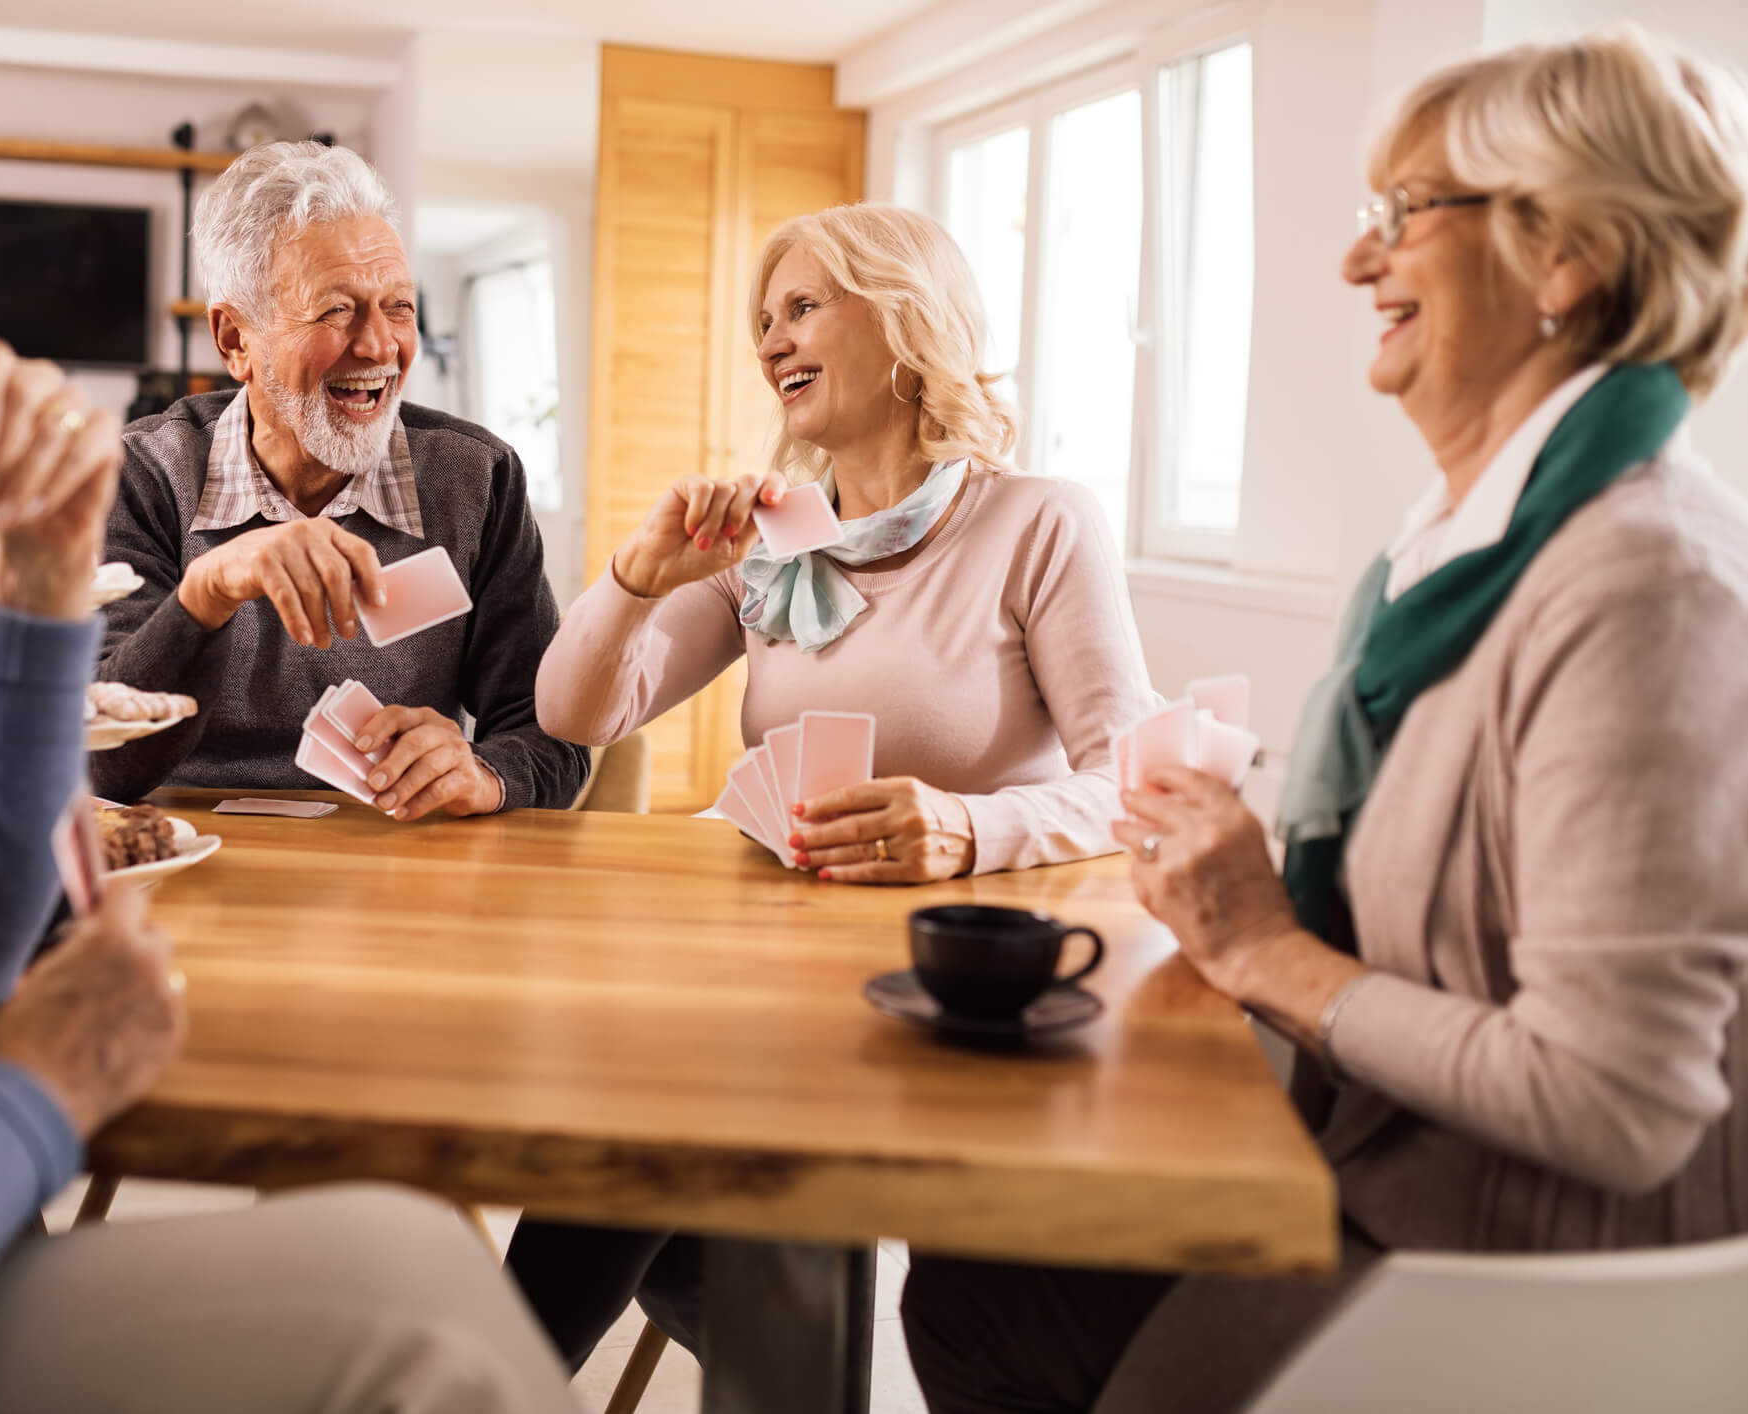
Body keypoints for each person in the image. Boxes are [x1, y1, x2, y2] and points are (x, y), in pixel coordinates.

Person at [0, 6, 579, 1412]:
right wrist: (38, 1089)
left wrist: (33, 578)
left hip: (328, 960)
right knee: (415, 1289)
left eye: (400, 308)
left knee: (414, 1243)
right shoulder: (150, 465)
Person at [900, 25, 1748, 1413]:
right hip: (1394, 1181)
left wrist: (1264, 945)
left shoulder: (1644, 584)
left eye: (1408, 214)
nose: (1359, 260)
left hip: (1527, 1277)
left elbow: (1619, 1103)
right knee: (976, 1276)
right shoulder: (1459, 562)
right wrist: (1242, 880)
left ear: (1564, 252)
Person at [511, 204, 1155, 1371]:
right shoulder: (774, 539)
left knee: (652, 1139)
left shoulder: (1037, 523)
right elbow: (574, 711)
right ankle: (537, 1374)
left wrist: (964, 827)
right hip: (766, 981)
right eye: (764, 320)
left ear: (906, 321)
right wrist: (636, 577)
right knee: (622, 1119)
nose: (772, 340)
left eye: (804, 306)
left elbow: (1134, 783)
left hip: (948, 986)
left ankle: (760, 1343)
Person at [93, 141, 587, 817]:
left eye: (398, 307)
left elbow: (553, 734)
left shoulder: (478, 477)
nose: (380, 346)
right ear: (235, 339)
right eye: (335, 311)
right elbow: (101, 763)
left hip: (394, 863)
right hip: (187, 864)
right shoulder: (144, 475)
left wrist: (485, 771)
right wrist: (203, 595)